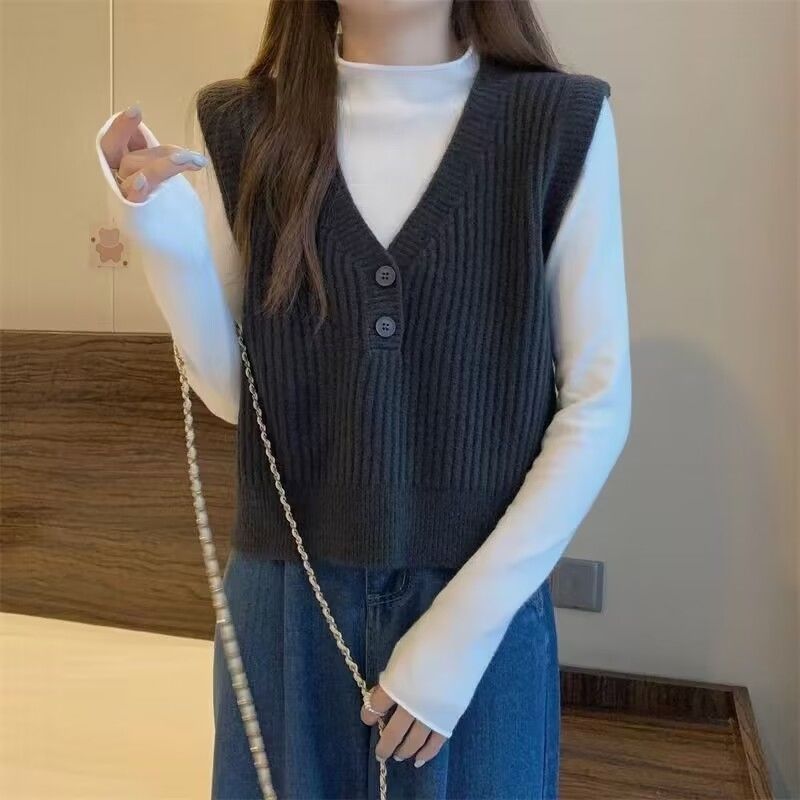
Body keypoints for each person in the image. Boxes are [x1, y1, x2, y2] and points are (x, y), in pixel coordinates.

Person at [95, 1, 631, 797]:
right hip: (285, 597)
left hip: (481, 609)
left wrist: (457, 638)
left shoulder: (557, 119)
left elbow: (598, 404)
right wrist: (159, 238)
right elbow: (239, 397)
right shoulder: (241, 124)